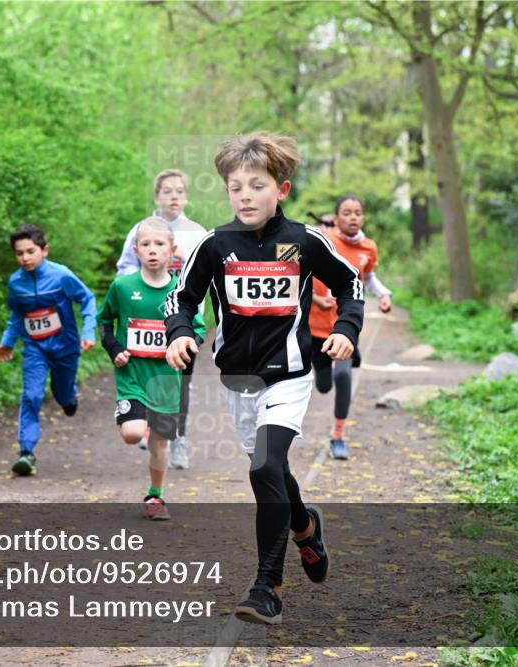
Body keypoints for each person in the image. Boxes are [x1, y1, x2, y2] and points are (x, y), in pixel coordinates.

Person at [164, 132, 364, 625]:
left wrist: (345, 330)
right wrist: (179, 333)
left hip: (290, 375)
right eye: (236, 188)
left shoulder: (304, 241)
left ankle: (266, 586)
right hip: (238, 380)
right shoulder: (216, 245)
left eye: (257, 185)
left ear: (283, 189)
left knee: (263, 468)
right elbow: (181, 297)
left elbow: (349, 284)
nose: (246, 195)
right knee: (270, 469)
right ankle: (303, 524)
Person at [100, 218, 206, 520]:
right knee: (133, 434)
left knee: (161, 444)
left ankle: (155, 495)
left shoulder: (181, 292)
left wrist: (183, 345)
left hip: (166, 380)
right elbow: (105, 320)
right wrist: (115, 349)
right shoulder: (122, 287)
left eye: (159, 244)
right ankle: (133, 414)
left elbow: (197, 329)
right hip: (132, 375)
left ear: (173, 251)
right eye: (145, 244)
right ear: (136, 250)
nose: (152, 250)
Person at [116, 169, 206, 468]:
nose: (174, 197)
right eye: (167, 191)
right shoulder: (141, 229)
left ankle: (178, 438)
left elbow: (209, 277)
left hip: (185, 320)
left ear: (187, 196)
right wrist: (148, 275)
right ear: (157, 196)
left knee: (181, 383)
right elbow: (123, 269)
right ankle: (150, 428)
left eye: (180, 191)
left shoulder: (197, 233)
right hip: (146, 320)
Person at [0, 224, 96, 477]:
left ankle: (68, 397)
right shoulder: (16, 282)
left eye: (30, 251)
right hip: (35, 348)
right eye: (19, 253)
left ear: (44, 250)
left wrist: (88, 332)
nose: (25, 258)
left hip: (66, 346)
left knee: (62, 394)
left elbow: (87, 299)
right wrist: (8, 341)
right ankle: (26, 452)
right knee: (31, 395)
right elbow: (18, 314)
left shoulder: (61, 276)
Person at [308, 196, 392, 460]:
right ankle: (321, 371)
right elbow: (291, 270)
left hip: (345, 326)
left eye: (358, 212)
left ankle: (338, 437)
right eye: (347, 212)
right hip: (314, 327)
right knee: (323, 385)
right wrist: (315, 299)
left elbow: (367, 276)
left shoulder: (369, 247)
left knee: (342, 376)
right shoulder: (321, 241)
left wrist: (383, 294)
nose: (353, 217)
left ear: (363, 217)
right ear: (336, 218)